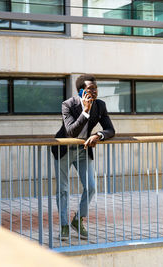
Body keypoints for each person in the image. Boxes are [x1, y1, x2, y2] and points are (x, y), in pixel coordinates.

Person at [51, 74, 115, 240]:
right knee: (63, 189)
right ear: (80, 91)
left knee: (91, 186)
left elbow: (110, 129)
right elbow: (71, 130)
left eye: (96, 88)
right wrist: (85, 111)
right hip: (63, 149)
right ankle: (64, 225)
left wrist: (99, 135)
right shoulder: (68, 105)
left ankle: (78, 220)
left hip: (83, 150)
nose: (94, 92)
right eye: (90, 89)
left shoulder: (100, 105)